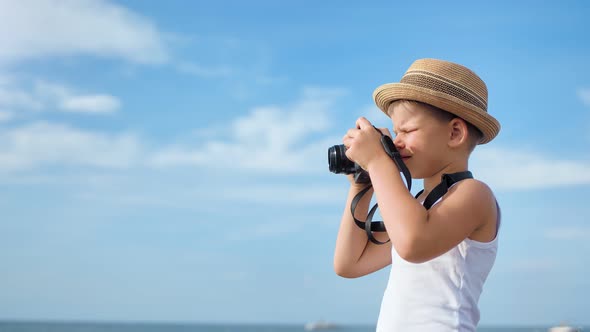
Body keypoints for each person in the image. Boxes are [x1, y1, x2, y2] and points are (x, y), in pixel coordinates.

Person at [333, 58, 501, 332]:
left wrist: (378, 162)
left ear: (455, 133)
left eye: (407, 130)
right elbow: (349, 264)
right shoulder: (419, 208)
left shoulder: (475, 195)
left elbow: (413, 244)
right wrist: (362, 185)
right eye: (395, 132)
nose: (396, 142)